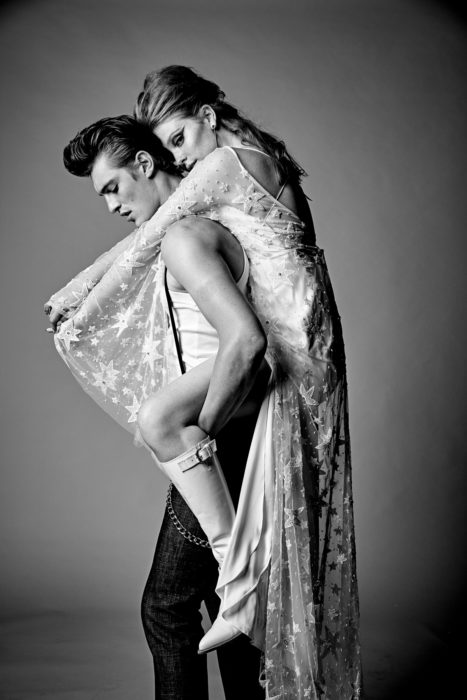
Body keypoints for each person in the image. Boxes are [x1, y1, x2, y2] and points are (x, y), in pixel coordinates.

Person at [48, 65, 362, 699]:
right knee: (212, 608)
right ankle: (239, 583)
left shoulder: (221, 175)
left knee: (168, 602)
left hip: (268, 382)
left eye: (179, 140)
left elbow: (160, 243)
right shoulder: (246, 185)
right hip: (290, 370)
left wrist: (80, 292)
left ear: (209, 117)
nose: (179, 159)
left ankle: (241, 576)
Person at [45, 115, 267, 700]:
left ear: (145, 164)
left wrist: (199, 432)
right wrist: (80, 293)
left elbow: (245, 346)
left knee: (167, 607)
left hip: (223, 435)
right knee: (225, 602)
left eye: (113, 187)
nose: (112, 206)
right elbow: (129, 257)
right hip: (226, 434)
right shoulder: (176, 230)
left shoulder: (188, 235)